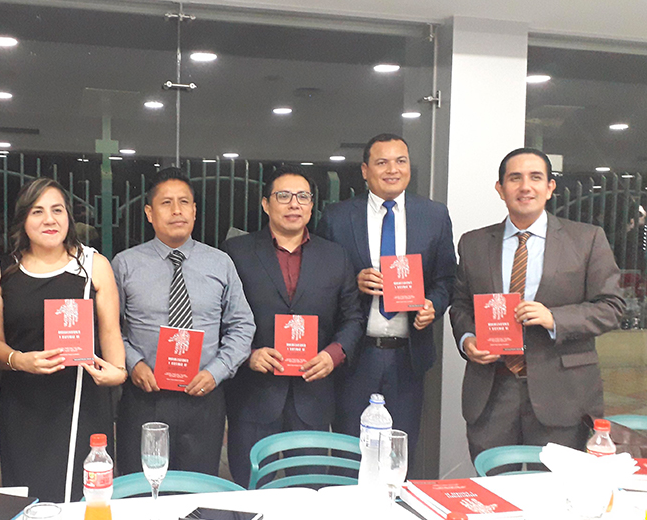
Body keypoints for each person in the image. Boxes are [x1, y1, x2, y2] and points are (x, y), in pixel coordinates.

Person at [450, 148, 625, 459]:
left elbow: (611, 307)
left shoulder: (586, 240)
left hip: (563, 393)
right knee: (493, 491)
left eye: (535, 177)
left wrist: (554, 318)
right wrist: (468, 340)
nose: (525, 187)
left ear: (550, 188)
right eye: (514, 178)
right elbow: (461, 304)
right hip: (492, 393)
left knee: (557, 494)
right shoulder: (473, 243)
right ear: (500, 188)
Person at [222, 166, 365, 487]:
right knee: (251, 492)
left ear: (312, 205)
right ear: (265, 204)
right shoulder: (236, 253)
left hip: (313, 395)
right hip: (254, 395)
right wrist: (247, 354)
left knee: (308, 494)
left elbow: (353, 318)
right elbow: (218, 318)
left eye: (302, 197)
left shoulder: (336, 256)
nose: (293, 204)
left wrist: (334, 354)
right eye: (283, 196)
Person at [0, 178, 126, 502]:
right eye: (38, 211)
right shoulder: (2, 271)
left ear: (69, 217)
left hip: (82, 400)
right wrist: (19, 360)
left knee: (84, 493)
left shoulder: (93, 265)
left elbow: (109, 331)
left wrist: (118, 371)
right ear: (22, 219)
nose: (49, 219)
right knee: (27, 496)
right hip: (23, 404)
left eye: (57, 210)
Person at [316, 133, 456, 457]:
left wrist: (434, 305)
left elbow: (446, 277)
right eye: (382, 162)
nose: (392, 169)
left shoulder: (433, 215)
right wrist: (353, 280)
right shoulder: (338, 217)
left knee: (399, 452)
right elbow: (321, 279)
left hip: (408, 357)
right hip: (356, 356)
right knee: (350, 453)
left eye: (400, 161)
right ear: (365, 170)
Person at [112, 167, 255, 476]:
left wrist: (216, 372)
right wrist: (133, 363)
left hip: (204, 397)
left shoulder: (220, 263)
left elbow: (242, 325)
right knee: (140, 487)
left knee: (197, 488)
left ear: (194, 210)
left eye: (184, 202)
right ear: (149, 213)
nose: (176, 211)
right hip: (144, 396)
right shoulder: (125, 264)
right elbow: (109, 328)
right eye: (166, 203)